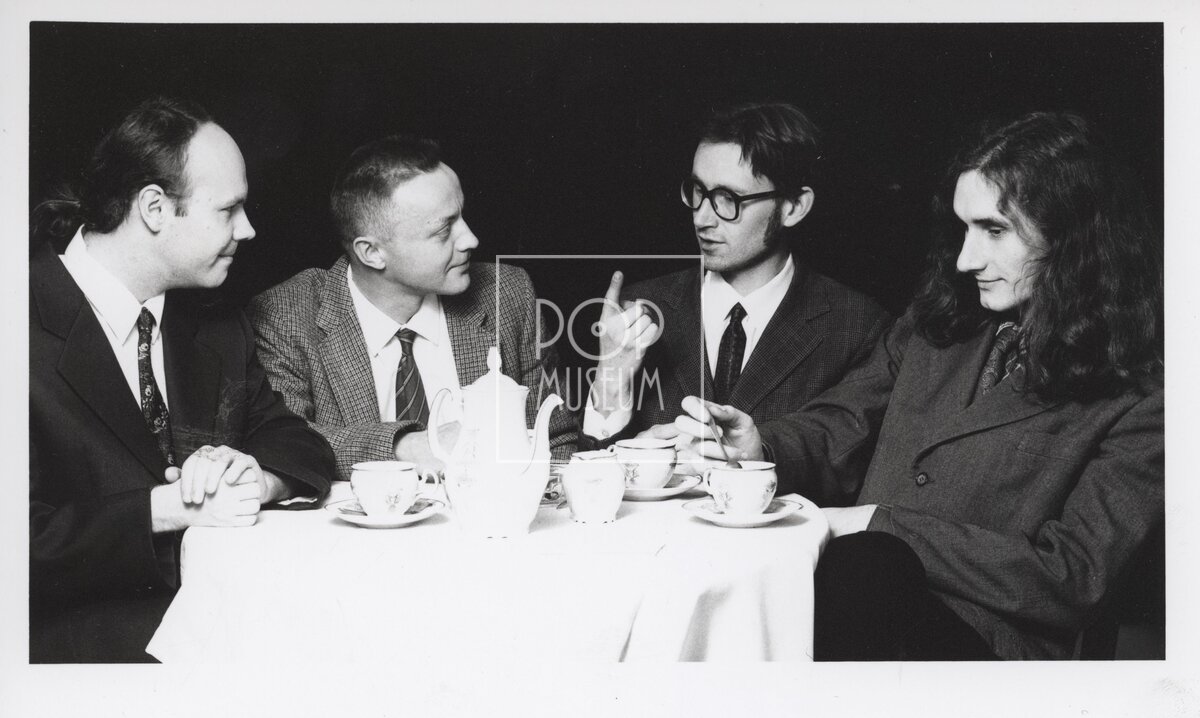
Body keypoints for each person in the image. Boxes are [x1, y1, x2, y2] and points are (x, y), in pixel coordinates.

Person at [674, 111, 1163, 660]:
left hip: (983, 653)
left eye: (994, 230)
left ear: (1073, 237)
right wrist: (759, 445)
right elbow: (843, 422)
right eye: (963, 229)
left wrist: (881, 526)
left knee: (861, 571)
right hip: (848, 609)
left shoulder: (1144, 396)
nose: (966, 259)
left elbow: (1075, 576)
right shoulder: (936, 327)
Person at [30, 97, 336, 663]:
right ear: (154, 208)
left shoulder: (217, 325)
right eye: (229, 209)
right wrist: (170, 508)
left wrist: (255, 479)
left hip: (235, 636)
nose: (248, 229)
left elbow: (300, 444)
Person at [249, 135, 578, 481]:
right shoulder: (286, 315)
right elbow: (282, 444)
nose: (470, 239)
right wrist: (404, 446)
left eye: (461, 216)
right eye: (443, 230)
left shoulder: (507, 294)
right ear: (372, 253)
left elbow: (557, 440)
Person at [583, 103, 889, 464]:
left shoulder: (856, 326)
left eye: (728, 199)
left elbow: (846, 462)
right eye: (697, 190)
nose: (701, 218)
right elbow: (588, 480)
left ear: (794, 207)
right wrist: (610, 381)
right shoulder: (640, 310)